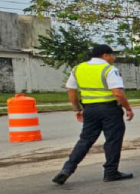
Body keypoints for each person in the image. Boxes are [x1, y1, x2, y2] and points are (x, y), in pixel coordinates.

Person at [52, 44, 135, 184]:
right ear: (105, 55)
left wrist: (77, 109)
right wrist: (128, 108)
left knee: (85, 140)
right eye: (112, 55)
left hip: (89, 110)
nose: (113, 58)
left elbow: (71, 90)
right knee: (113, 140)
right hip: (109, 109)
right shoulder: (109, 69)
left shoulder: (78, 68)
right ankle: (110, 172)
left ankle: (67, 168)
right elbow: (117, 93)